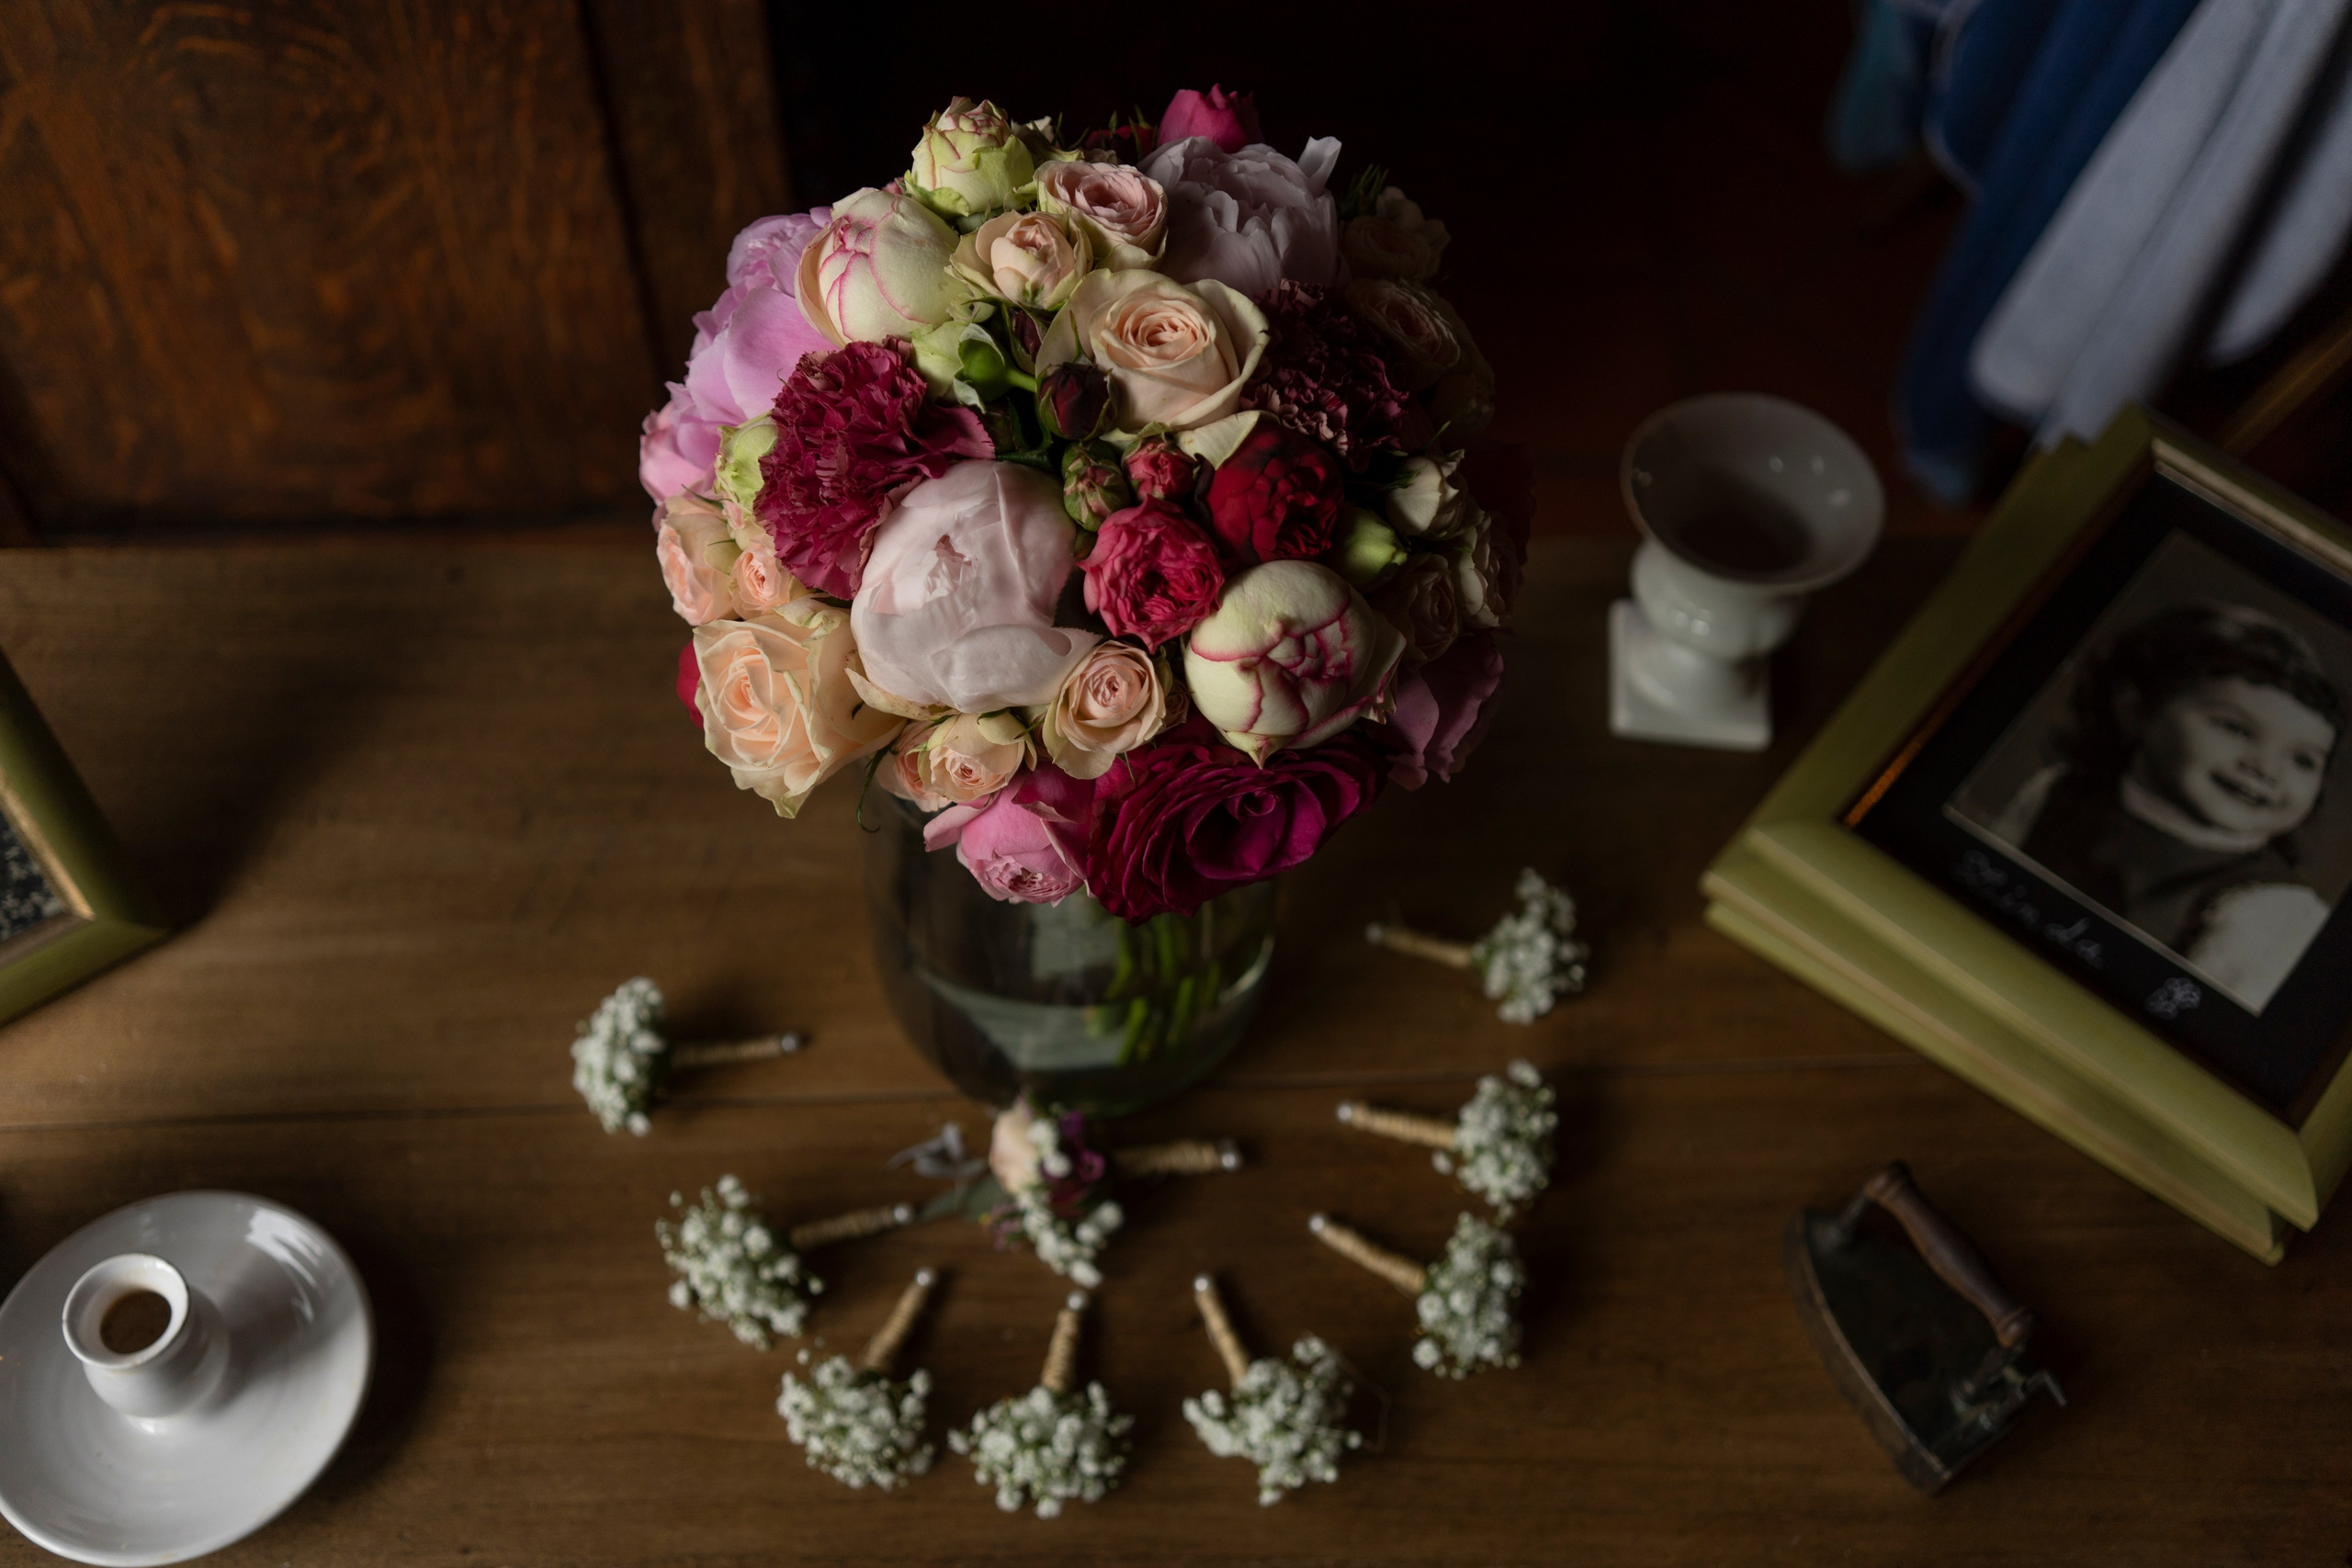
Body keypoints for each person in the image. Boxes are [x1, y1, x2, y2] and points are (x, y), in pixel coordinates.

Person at [1987, 602, 2345, 1011]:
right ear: (2135, 708)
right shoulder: (2057, 794)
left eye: (2303, 760)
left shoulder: (2271, 912)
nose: (2265, 768)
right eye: (2236, 728)